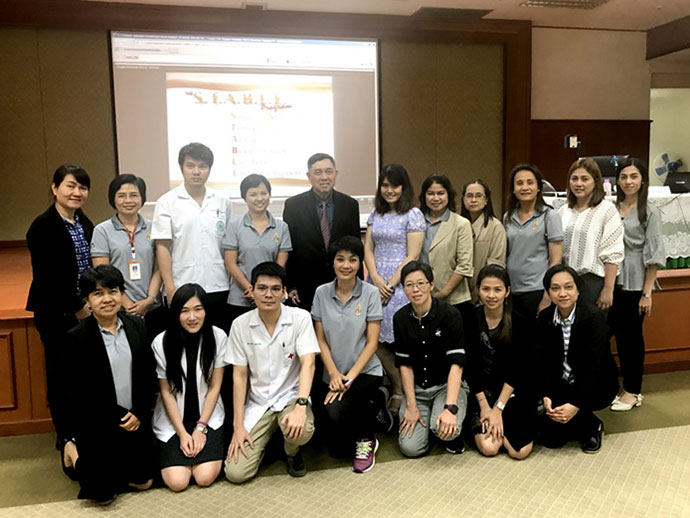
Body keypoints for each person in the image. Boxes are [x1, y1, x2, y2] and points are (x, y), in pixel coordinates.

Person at [61, 265, 157, 504]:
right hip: (98, 424)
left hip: (134, 420)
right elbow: (78, 393)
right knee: (103, 496)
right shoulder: (76, 338)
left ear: (121, 294)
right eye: (98, 294)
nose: (107, 299)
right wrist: (117, 416)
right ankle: (72, 450)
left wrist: (139, 413)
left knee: (144, 483)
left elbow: (148, 375)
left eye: (113, 291)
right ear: (87, 301)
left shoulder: (136, 326)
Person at [225, 262, 320, 483]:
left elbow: (309, 363)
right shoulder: (240, 325)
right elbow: (239, 376)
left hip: (290, 397)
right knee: (236, 473)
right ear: (252, 291)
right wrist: (237, 427)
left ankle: (291, 451)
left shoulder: (300, 318)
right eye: (262, 288)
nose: (268, 295)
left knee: (303, 430)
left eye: (275, 289)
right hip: (259, 402)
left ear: (284, 292)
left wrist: (301, 406)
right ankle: (268, 441)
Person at [26, 164, 94, 466]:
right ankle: (65, 435)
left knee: (82, 373)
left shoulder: (84, 223)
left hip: (85, 308)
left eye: (82, 187)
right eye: (70, 186)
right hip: (56, 312)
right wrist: (78, 307)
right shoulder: (42, 226)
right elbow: (48, 277)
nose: (76, 192)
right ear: (55, 188)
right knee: (60, 373)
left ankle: (81, 428)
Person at [311, 236, 383, 473]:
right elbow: (320, 339)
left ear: (360, 263)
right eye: (340, 259)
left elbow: (372, 343)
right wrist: (334, 374)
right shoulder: (321, 293)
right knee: (337, 450)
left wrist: (349, 378)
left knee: (347, 406)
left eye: (352, 260)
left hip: (364, 372)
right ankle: (372, 410)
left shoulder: (370, 293)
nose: (346, 265)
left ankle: (367, 438)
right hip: (334, 373)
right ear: (332, 262)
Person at [535, 265, 619, 454]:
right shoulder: (545, 317)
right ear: (548, 292)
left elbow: (596, 367)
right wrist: (546, 394)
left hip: (592, 384)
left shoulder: (594, 317)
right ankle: (571, 419)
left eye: (568, 287)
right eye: (555, 288)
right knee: (552, 440)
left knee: (575, 416)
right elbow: (543, 362)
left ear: (578, 290)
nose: (562, 293)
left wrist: (576, 404)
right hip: (561, 383)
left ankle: (591, 424)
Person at [152, 284, 227, 491]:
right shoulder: (162, 341)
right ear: (176, 313)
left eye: (198, 309)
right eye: (184, 311)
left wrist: (200, 428)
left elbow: (215, 387)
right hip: (174, 419)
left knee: (204, 477)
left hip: (207, 416)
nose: (192, 317)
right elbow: (166, 392)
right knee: (178, 482)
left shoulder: (218, 336)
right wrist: (183, 433)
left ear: (206, 311)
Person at [364, 164, 425, 416]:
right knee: (375, 341)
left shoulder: (413, 215)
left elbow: (412, 255)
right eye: (385, 185)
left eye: (395, 186)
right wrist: (376, 279)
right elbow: (368, 249)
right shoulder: (375, 215)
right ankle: (397, 386)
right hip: (374, 285)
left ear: (404, 187)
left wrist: (389, 284)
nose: (389, 190)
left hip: (401, 287)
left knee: (403, 342)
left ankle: (412, 393)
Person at [151, 142, 231, 330]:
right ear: (181, 167)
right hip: (181, 286)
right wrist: (170, 288)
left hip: (218, 285)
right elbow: (162, 247)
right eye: (190, 166)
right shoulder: (167, 202)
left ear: (209, 169)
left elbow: (228, 244)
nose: (196, 172)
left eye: (202, 166)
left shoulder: (222, 201)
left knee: (217, 338)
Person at [393, 261, 469, 457]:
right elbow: (404, 365)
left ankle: (444, 425)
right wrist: (411, 406)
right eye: (409, 285)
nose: (415, 289)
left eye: (421, 283)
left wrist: (450, 408)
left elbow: (456, 365)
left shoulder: (450, 315)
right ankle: (430, 426)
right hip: (418, 390)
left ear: (431, 285)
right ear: (404, 289)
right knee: (410, 449)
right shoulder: (400, 318)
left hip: (445, 386)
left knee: (447, 430)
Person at [609, 158, 665, 411]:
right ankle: (613, 385)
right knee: (604, 334)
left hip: (635, 280)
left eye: (633, 176)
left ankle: (633, 390)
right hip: (611, 277)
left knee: (630, 338)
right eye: (623, 177)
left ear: (642, 180)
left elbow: (654, 254)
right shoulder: (610, 208)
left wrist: (647, 293)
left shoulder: (649, 211)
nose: (628, 181)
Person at [467, 265, 534, 460]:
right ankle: (497, 430)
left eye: (497, 289)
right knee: (489, 448)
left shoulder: (520, 320)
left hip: (512, 392)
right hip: (481, 393)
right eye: (486, 289)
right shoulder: (469, 319)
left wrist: (498, 408)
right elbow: (470, 367)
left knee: (519, 452)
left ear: (507, 291)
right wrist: (485, 407)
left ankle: (504, 427)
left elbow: (518, 369)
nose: (491, 295)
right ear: (478, 290)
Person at [283, 153, 361, 312]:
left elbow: (356, 248)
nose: (324, 177)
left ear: (336, 174)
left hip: (342, 283)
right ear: (309, 176)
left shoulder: (350, 205)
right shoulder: (293, 205)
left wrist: (359, 283)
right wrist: (290, 285)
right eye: (318, 172)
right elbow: (289, 248)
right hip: (305, 285)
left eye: (329, 171)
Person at [91, 174, 164, 340]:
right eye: (121, 196)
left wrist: (149, 300)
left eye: (134, 195)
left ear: (142, 198)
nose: (128, 200)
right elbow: (103, 273)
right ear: (113, 199)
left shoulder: (153, 228)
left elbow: (159, 268)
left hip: (152, 308)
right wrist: (130, 306)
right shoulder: (102, 231)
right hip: (119, 309)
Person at [557, 157, 624, 312]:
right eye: (574, 179)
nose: (578, 184)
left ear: (595, 182)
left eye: (584, 179)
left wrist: (608, 289)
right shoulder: (563, 211)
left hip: (592, 283)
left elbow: (613, 254)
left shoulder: (607, 210)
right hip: (565, 281)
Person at [222, 174, 292, 322]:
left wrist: (263, 291)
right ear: (244, 197)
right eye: (253, 194)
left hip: (271, 298)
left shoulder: (281, 227)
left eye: (263, 193)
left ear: (269, 195)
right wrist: (251, 290)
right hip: (241, 298)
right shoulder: (234, 226)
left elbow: (279, 266)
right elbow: (230, 264)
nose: (259, 198)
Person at [503, 164, 563, 320]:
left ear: (538, 187)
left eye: (530, 182)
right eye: (519, 183)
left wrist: (548, 293)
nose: (525, 187)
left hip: (537, 289)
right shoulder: (508, 217)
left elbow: (555, 261)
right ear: (513, 189)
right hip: (512, 290)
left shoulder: (550, 216)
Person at [418, 173, 474, 327]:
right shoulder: (416, 222)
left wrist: (442, 293)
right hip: (421, 297)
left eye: (441, 193)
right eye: (431, 193)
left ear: (449, 195)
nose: (436, 198)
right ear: (424, 196)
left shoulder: (461, 224)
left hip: (454, 299)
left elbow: (464, 265)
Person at [460, 179, 506, 303]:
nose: (473, 200)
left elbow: (495, 265)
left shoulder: (495, 227)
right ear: (463, 200)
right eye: (469, 196)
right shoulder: (457, 225)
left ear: (486, 200)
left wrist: (478, 292)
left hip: (483, 294)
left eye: (479, 196)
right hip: (458, 292)